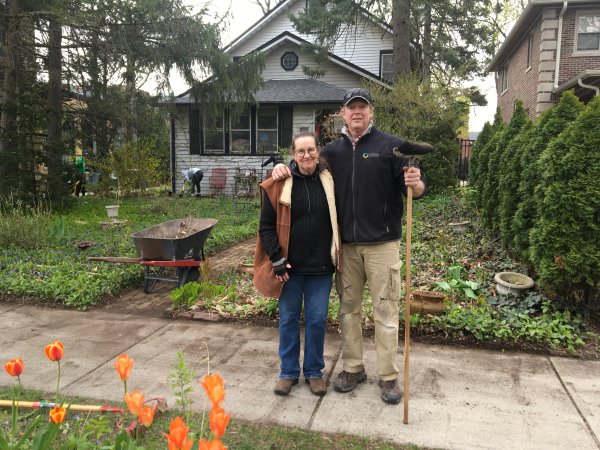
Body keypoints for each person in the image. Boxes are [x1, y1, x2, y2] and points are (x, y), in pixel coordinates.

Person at [272, 88, 426, 404]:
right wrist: (283, 166)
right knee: (349, 310)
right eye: (351, 108)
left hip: (383, 244)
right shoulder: (332, 152)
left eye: (362, 107)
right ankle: (353, 368)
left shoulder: (392, 147)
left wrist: (416, 182)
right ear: (343, 114)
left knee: (386, 310)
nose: (357, 112)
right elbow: (306, 162)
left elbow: (417, 189)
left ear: (371, 113)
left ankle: (388, 377)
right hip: (346, 247)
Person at [254, 131, 341, 397]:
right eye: (301, 151)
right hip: (289, 269)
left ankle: (314, 372)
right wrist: (277, 259)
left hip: (321, 268)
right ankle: (288, 372)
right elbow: (266, 226)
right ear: (293, 154)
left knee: (316, 319)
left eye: (311, 150)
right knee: (289, 319)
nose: (307, 156)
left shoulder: (330, 181)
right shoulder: (280, 183)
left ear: (318, 152)